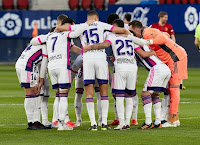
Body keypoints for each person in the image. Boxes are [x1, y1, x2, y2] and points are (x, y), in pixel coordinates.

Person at [56, 10, 131, 131]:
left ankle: (93, 124)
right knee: (103, 91)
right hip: (101, 58)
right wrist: (129, 35)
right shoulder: (102, 24)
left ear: (88, 18)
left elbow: (61, 28)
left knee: (89, 91)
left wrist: (57, 29)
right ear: (96, 18)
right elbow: (121, 30)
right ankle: (104, 123)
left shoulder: (81, 26)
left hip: (88, 58)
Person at [83, 19, 156, 130]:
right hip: (132, 67)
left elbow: (105, 44)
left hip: (120, 67)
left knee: (120, 96)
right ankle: (127, 123)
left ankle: (121, 123)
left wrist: (90, 47)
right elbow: (141, 44)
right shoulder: (130, 36)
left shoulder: (111, 36)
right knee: (130, 96)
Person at [31, 18, 91, 130]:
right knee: (63, 96)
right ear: (67, 26)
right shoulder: (66, 34)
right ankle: (62, 124)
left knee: (58, 95)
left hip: (51, 67)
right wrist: (87, 23)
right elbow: (77, 32)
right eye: (71, 26)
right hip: (62, 66)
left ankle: (57, 122)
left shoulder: (49, 36)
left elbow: (33, 41)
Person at [129, 20, 188, 127]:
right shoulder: (150, 31)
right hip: (172, 59)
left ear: (137, 29)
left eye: (132, 31)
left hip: (175, 58)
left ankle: (173, 119)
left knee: (173, 89)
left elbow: (163, 38)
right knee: (168, 90)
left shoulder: (146, 33)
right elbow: (165, 34)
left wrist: (149, 42)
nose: (132, 34)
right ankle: (166, 118)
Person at [129, 33, 171, 129]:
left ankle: (148, 122)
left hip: (157, 68)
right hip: (164, 68)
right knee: (155, 95)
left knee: (145, 94)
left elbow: (143, 55)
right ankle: (158, 121)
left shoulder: (135, 44)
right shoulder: (145, 44)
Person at [15, 43, 51, 130]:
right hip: (27, 66)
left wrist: (38, 79)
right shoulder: (46, 47)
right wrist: (41, 79)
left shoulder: (38, 43)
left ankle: (36, 121)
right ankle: (31, 122)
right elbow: (43, 65)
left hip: (23, 64)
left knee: (35, 92)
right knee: (30, 92)